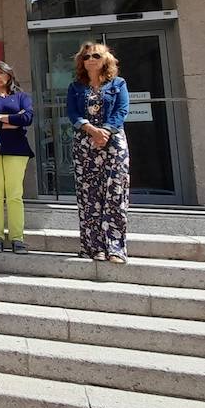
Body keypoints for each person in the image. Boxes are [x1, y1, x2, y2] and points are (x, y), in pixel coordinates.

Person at [66, 42, 130, 263]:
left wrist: (105, 132)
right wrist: (91, 130)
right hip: (85, 143)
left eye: (95, 55)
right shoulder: (76, 87)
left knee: (115, 193)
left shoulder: (118, 84)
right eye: (86, 57)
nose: (90, 59)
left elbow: (122, 110)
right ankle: (93, 247)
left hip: (112, 142)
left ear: (105, 59)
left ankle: (115, 248)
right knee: (89, 195)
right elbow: (72, 113)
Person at [0, 61, 35, 255]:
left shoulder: (20, 96)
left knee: (14, 195)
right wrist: (12, 120)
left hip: (17, 149)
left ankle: (17, 238)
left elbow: (27, 118)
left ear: (9, 75)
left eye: (0, 73)